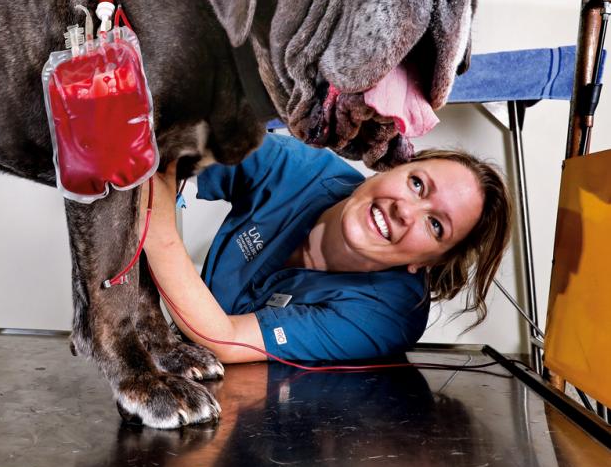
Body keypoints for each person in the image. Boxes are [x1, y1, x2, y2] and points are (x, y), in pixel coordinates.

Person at [141, 132, 513, 364]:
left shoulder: (386, 315)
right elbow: (173, 147)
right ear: (392, 167)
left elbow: (225, 339)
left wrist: (157, 228)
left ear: (429, 261)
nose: (405, 211)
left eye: (435, 225)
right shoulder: (295, 167)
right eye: (417, 184)